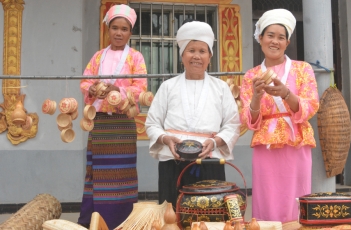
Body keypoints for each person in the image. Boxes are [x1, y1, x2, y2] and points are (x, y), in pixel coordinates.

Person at [145, 21, 241, 209]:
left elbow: (232, 124)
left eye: (202, 51)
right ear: (182, 56)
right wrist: (165, 139)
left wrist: (215, 142)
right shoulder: (168, 87)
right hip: (172, 161)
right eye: (191, 50)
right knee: (172, 214)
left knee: (210, 215)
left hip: (210, 161)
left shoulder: (220, 88)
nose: (196, 56)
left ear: (210, 56)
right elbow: (152, 123)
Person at [239, 9, 319, 222]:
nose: (275, 41)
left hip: (296, 143)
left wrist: (286, 93)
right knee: (267, 199)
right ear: (260, 38)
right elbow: (248, 120)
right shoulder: (251, 76)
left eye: (281, 37)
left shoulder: (303, 70)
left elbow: (311, 105)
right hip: (265, 149)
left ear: (288, 42)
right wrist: (256, 96)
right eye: (270, 35)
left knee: (296, 197)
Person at [78, 4, 147, 229]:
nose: (119, 33)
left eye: (124, 29)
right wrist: (93, 89)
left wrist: (119, 91)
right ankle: (96, 220)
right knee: (96, 172)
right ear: (108, 29)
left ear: (130, 32)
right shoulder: (98, 57)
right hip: (100, 124)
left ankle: (121, 221)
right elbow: (85, 81)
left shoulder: (136, 58)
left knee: (122, 174)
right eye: (115, 27)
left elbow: (141, 87)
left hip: (122, 124)